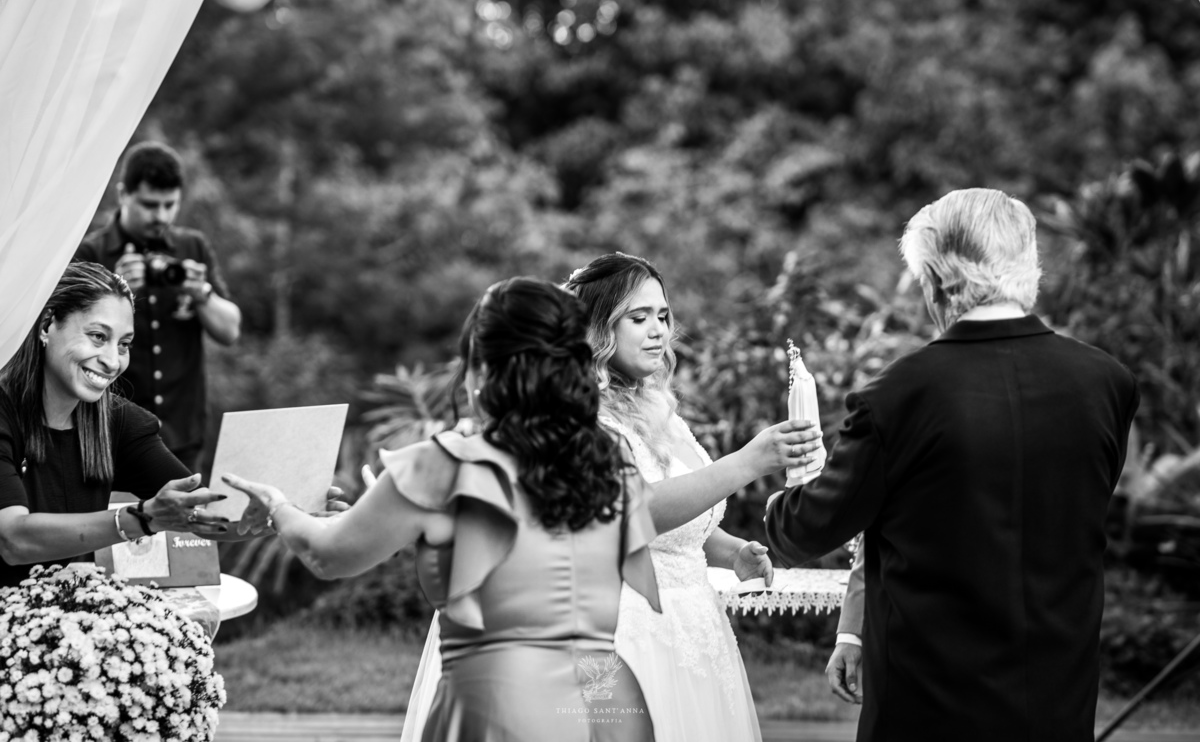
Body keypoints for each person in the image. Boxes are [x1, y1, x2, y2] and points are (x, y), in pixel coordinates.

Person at [224, 277, 819, 741]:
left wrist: (280, 506)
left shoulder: (440, 465)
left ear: (482, 367)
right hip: (609, 700)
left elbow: (328, 556)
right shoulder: (602, 459)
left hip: (498, 709)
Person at [765, 188, 1140, 742]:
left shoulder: (899, 396)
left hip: (929, 704)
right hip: (1058, 700)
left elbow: (805, 530)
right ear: (1028, 267)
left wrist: (787, 491)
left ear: (936, 281)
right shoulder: (1107, 383)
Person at [566, 252, 829, 742]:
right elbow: (634, 511)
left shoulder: (659, 409)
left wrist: (731, 552)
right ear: (598, 330)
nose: (658, 331)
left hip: (694, 629)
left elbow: (678, 523)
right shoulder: (581, 416)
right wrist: (747, 463)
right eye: (638, 318)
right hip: (629, 633)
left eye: (663, 316)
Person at [0, 262, 332, 588]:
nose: (113, 361)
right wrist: (142, 519)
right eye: (98, 337)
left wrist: (287, 510)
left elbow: (202, 513)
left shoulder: (119, 421)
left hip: (62, 614)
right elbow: (13, 540)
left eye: (124, 344)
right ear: (47, 325)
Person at [75, 141, 241, 472]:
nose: (161, 216)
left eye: (170, 205)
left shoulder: (192, 247)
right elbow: (70, 337)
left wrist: (201, 293)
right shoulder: (90, 253)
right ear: (123, 194)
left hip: (183, 433)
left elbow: (230, 331)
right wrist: (114, 290)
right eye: (150, 205)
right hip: (109, 432)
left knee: (185, 506)